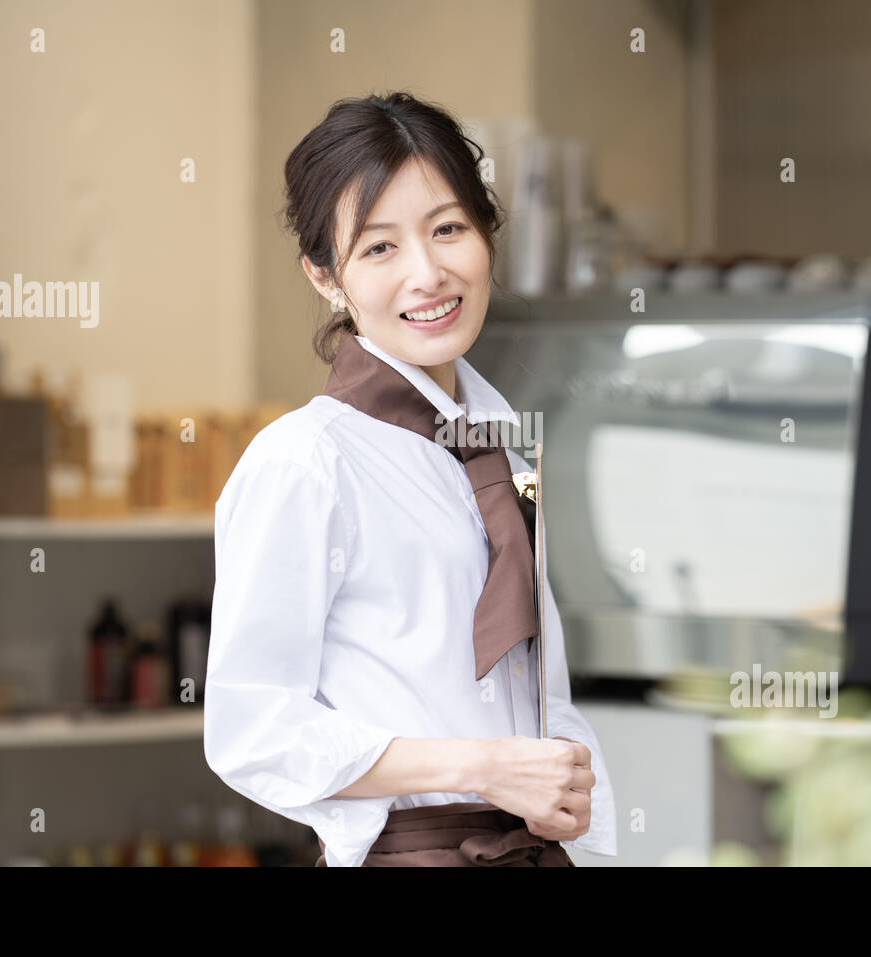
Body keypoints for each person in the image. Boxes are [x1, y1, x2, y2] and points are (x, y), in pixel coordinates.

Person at [203, 91, 617, 867]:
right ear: (327, 277)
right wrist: (481, 765)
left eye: (448, 229)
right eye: (379, 248)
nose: (428, 274)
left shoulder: (503, 453)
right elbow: (252, 729)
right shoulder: (305, 461)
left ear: (486, 232)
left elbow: (536, 695)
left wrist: (560, 780)